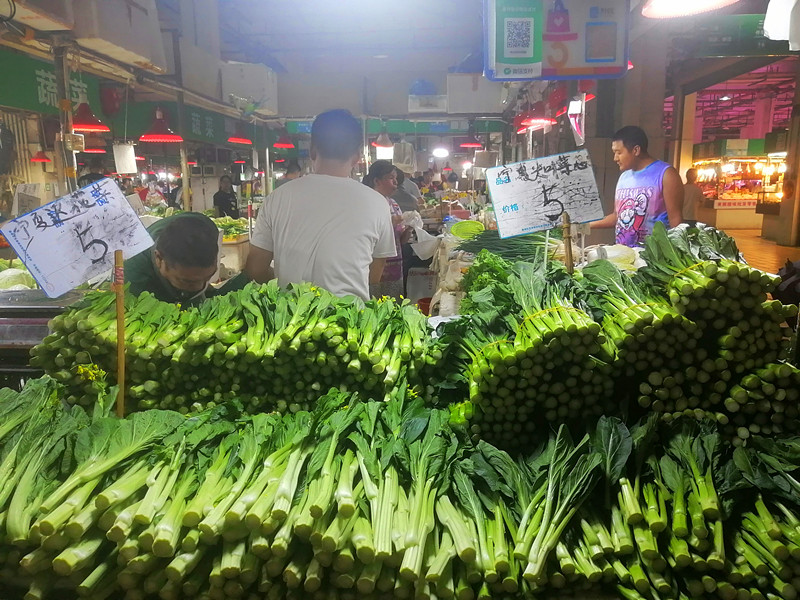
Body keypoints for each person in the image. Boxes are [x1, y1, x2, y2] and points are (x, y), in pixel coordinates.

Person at [245, 109, 396, 301]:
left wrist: (285, 290)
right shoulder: (377, 202)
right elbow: (376, 271)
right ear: (357, 156)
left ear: (312, 150)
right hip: (351, 324)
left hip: (292, 325)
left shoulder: (277, 198)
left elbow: (254, 269)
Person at [592, 126, 684, 247]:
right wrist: (585, 226)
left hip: (654, 258)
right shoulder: (624, 177)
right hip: (624, 256)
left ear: (636, 150)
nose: (615, 158)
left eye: (619, 152)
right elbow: (617, 216)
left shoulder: (666, 174)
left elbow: (676, 221)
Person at [124, 212, 221, 306]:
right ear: (159, 259)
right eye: (188, 281)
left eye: (208, 277)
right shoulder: (133, 280)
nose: (200, 287)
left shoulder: (204, 225)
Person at [364, 160, 409, 299]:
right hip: (374, 270)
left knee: (393, 310)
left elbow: (402, 240)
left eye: (396, 178)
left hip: (395, 271)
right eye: (391, 178)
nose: (395, 182)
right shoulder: (367, 203)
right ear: (377, 181)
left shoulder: (393, 204)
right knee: (374, 307)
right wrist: (391, 221)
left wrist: (409, 228)